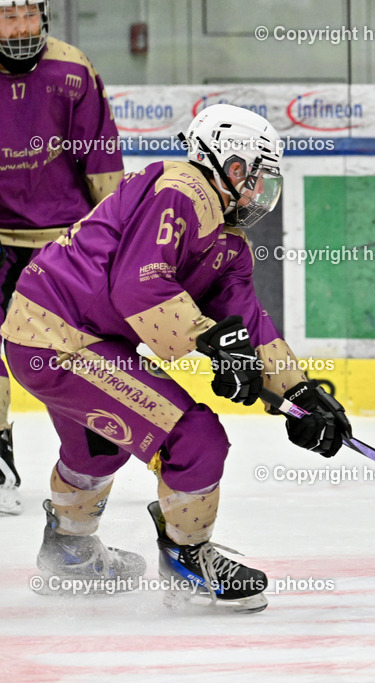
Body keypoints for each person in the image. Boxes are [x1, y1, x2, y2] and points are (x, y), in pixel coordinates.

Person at [2, 103, 351, 612]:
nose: (260, 192)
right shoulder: (180, 189)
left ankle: (71, 550)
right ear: (232, 166)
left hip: (53, 336)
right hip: (59, 339)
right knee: (195, 437)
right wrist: (212, 344)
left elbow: (250, 323)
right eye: (256, 178)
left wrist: (298, 392)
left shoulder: (228, 242)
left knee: (100, 445)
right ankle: (188, 560)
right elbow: (139, 288)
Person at [0, 0, 124, 515]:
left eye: (29, 14)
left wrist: (114, 231)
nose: (22, 26)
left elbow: (99, 153)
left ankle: (83, 466)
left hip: (61, 239)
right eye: (9, 16)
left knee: (66, 355)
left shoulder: (72, 68)